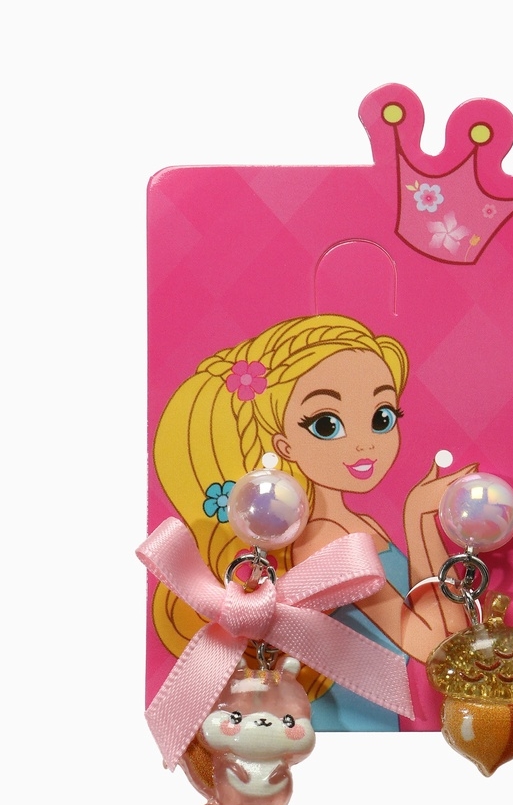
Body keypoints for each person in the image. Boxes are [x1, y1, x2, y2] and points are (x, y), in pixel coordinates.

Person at [151, 313, 476, 730]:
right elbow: (434, 643)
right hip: (351, 718)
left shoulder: (352, 524)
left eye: (382, 418)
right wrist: (420, 520)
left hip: (368, 711)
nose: (365, 444)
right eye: (327, 425)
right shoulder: (330, 537)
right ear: (283, 443)